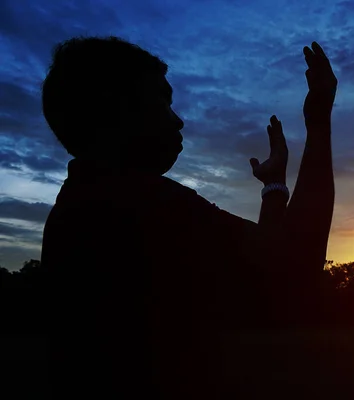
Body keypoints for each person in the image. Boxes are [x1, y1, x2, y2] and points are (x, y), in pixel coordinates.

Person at [40, 36, 337, 399]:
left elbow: (265, 279)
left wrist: (274, 187)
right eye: (162, 101)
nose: (178, 120)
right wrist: (319, 122)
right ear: (117, 109)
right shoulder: (139, 203)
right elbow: (295, 269)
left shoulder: (89, 201)